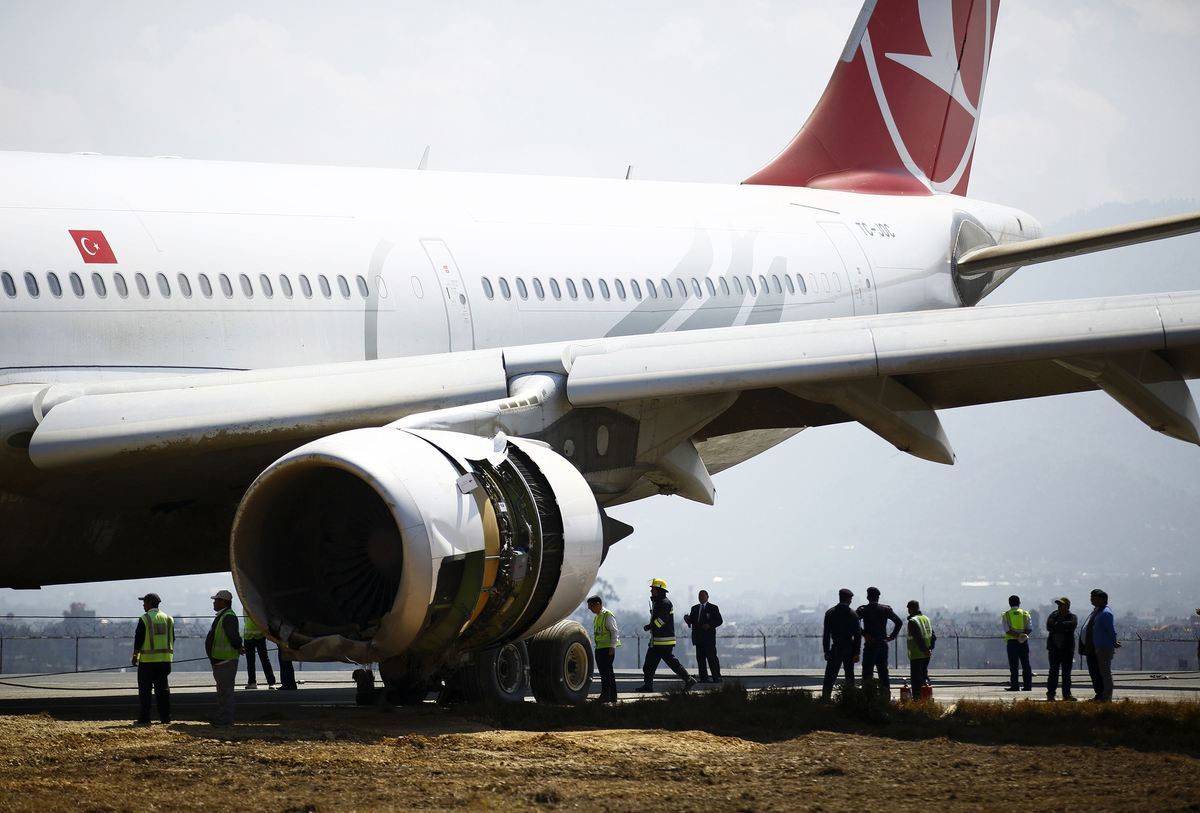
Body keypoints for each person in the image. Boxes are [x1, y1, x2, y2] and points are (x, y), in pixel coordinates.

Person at [634, 578, 696, 692]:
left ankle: (689, 679)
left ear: (659, 590)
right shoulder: (659, 602)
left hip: (664, 641)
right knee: (649, 666)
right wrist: (652, 624)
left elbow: (661, 621)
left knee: (671, 663)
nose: (651, 591)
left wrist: (650, 626)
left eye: (653, 589)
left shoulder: (664, 603)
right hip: (657, 641)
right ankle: (648, 686)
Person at [132, 592, 174, 726]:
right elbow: (172, 638)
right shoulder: (168, 618)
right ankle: (165, 718)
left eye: (144, 602)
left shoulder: (145, 619)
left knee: (145, 690)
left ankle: (145, 717)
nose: (143, 605)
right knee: (163, 690)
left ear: (150, 603)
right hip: (165, 661)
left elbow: (138, 640)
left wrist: (135, 657)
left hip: (147, 662)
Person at [206, 589, 244, 725]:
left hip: (225, 660)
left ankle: (226, 719)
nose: (214, 602)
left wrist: (238, 646)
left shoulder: (228, 616)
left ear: (224, 602)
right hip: (220, 660)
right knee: (222, 692)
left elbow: (233, 636)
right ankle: (223, 717)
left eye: (216, 600)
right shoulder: (223, 616)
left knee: (225, 692)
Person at [856, 586, 903, 695]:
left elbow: (853, 622)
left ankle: (868, 696)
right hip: (882, 644)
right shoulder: (885, 609)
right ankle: (885, 696)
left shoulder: (863, 610)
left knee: (867, 672)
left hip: (870, 645)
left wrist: (864, 634)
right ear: (878, 597)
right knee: (883, 672)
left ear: (868, 597)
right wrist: (892, 636)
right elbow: (899, 622)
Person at [821, 588, 861, 700]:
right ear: (848, 599)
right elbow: (857, 636)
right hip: (849, 647)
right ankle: (850, 698)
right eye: (851, 599)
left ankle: (825, 698)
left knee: (830, 675)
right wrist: (857, 652)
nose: (851, 601)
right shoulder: (853, 615)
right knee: (849, 675)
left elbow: (826, 634)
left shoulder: (830, 613)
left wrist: (826, 650)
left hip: (836, 647)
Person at [1080, 588, 1117, 702]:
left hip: (1102, 647)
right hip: (1093, 648)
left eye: (1094, 598)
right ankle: (1099, 695)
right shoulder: (1096, 611)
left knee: (1104, 673)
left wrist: (1113, 642)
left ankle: (1106, 697)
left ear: (1102, 599)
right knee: (1095, 672)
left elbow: (1110, 630)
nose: (1091, 600)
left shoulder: (1105, 613)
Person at [587, 595, 621, 703]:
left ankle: (605, 696)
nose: (590, 609)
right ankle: (612, 696)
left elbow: (614, 632)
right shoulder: (597, 616)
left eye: (591, 606)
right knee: (607, 673)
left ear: (598, 604)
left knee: (606, 674)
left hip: (607, 649)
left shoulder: (607, 615)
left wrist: (612, 647)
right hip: (599, 648)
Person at [684, 589, 723, 683]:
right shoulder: (695, 608)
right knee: (700, 659)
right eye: (699, 596)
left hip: (709, 639)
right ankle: (703, 678)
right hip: (698, 638)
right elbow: (693, 621)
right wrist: (688, 620)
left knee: (712, 658)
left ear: (707, 597)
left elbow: (719, 621)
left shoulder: (713, 608)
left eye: (702, 596)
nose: (701, 598)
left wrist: (709, 625)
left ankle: (716, 677)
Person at [1045, 597, 1078, 701]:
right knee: (1053, 673)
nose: (1059, 607)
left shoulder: (1072, 617)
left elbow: (1072, 625)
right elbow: (1049, 626)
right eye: (1059, 605)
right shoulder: (1053, 615)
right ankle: (1050, 694)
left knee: (1066, 673)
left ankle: (1066, 695)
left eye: (1061, 605)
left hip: (1067, 649)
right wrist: (1062, 626)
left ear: (1067, 606)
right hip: (1054, 649)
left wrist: (1057, 625)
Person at [1002, 594, 1033, 692]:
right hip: (1024, 642)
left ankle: (1015, 686)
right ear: (1019, 603)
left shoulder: (1006, 615)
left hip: (1012, 642)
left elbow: (1007, 630)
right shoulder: (1025, 614)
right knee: (1026, 664)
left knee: (1014, 665)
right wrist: (1022, 636)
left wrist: (1016, 636)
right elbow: (1029, 628)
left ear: (1009, 603)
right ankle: (1028, 686)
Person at [242, 613, 276, 689]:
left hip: (257, 635)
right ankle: (252, 682)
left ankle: (270, 682)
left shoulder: (248, 604)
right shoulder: (249, 605)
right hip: (251, 636)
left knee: (263, 660)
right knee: (252, 661)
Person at [906, 600, 933, 691]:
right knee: (924, 676)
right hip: (926, 655)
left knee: (916, 680)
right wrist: (929, 649)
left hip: (917, 654)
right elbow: (933, 636)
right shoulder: (926, 619)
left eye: (909, 609)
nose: (908, 611)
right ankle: (926, 697)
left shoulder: (913, 621)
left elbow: (918, 638)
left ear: (911, 609)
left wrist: (924, 649)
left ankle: (917, 700)